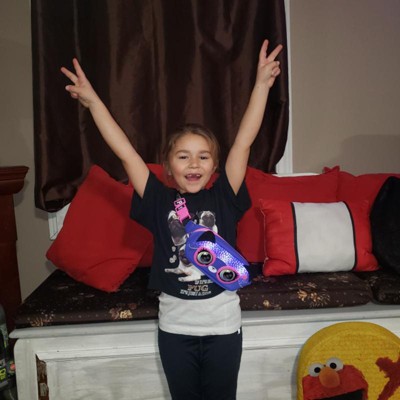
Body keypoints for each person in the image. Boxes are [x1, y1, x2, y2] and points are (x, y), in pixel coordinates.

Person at [61, 39, 282, 400]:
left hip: (224, 329)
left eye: (203, 157)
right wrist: (93, 103)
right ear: (168, 166)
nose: (194, 164)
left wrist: (261, 85)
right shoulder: (158, 199)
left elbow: (243, 142)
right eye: (183, 156)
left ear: (214, 165)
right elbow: (125, 152)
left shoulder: (224, 196)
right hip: (175, 331)